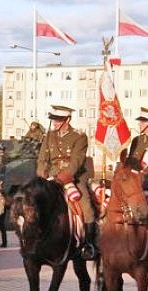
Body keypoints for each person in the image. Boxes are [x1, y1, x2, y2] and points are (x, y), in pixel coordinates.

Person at [36, 105, 96, 260]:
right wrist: (42, 173)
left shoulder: (79, 136)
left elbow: (76, 161)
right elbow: (42, 158)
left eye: (59, 120)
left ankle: (88, 244)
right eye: (54, 119)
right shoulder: (49, 135)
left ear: (67, 120)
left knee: (86, 206)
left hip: (73, 177)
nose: (55, 122)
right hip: (51, 175)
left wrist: (65, 176)